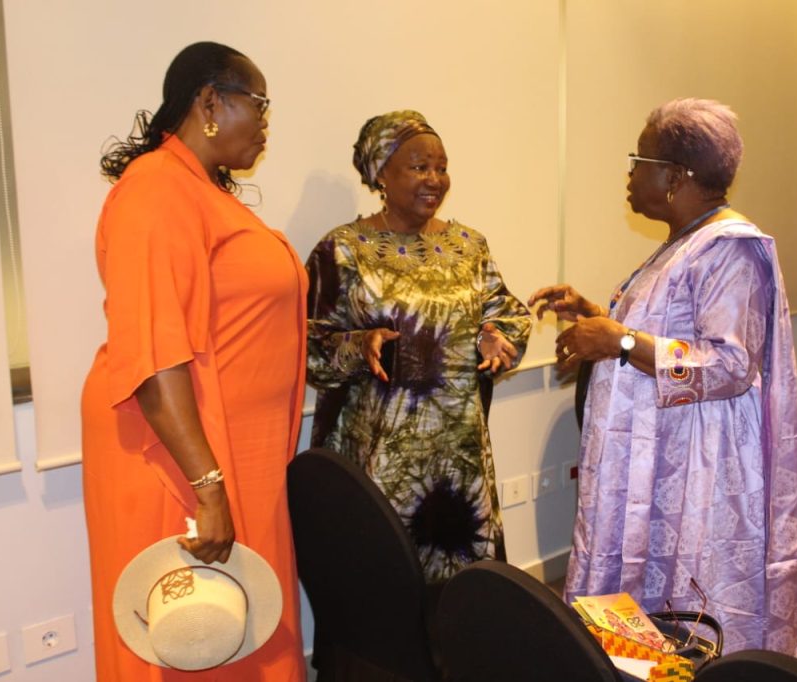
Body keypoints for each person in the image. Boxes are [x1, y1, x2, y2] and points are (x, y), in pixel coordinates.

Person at [530, 98, 797, 655]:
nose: (629, 174)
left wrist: (619, 340)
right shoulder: (685, 240)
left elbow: (730, 364)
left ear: (676, 176)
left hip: (697, 467)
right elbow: (665, 328)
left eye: (639, 161)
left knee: (688, 601)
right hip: (653, 455)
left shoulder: (731, 249)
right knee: (640, 599)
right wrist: (596, 315)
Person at [82, 42, 307, 680]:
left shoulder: (199, 191)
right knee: (193, 636)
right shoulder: (156, 188)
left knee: (236, 631)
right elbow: (152, 356)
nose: (265, 124)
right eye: (259, 105)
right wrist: (207, 488)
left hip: (230, 452)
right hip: (178, 457)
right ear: (210, 102)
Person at [305, 110, 532, 584]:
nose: (434, 179)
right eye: (418, 167)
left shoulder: (469, 246)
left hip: (460, 460)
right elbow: (307, 344)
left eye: (441, 167)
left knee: (462, 586)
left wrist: (495, 335)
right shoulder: (343, 250)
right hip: (381, 460)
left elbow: (508, 312)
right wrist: (359, 343)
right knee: (384, 584)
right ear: (381, 174)